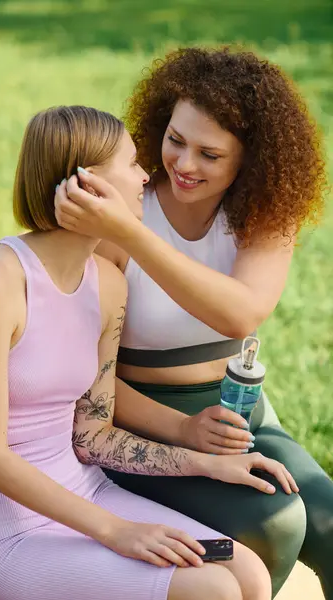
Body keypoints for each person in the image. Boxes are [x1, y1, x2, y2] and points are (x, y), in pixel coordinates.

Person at [0, 104, 296, 600]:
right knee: (211, 588)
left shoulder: (108, 285)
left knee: (247, 574)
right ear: (89, 186)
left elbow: (92, 436)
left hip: (88, 491)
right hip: (15, 529)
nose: (144, 176)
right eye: (132, 164)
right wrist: (115, 530)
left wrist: (204, 462)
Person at [54, 47, 332, 599]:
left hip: (239, 411)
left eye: (210, 154)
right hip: (138, 420)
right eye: (176, 140)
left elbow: (241, 312)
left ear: (249, 160)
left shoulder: (265, 212)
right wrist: (183, 429)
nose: (184, 164)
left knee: (326, 519)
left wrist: (134, 238)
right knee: (274, 522)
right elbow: (87, 383)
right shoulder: (124, 209)